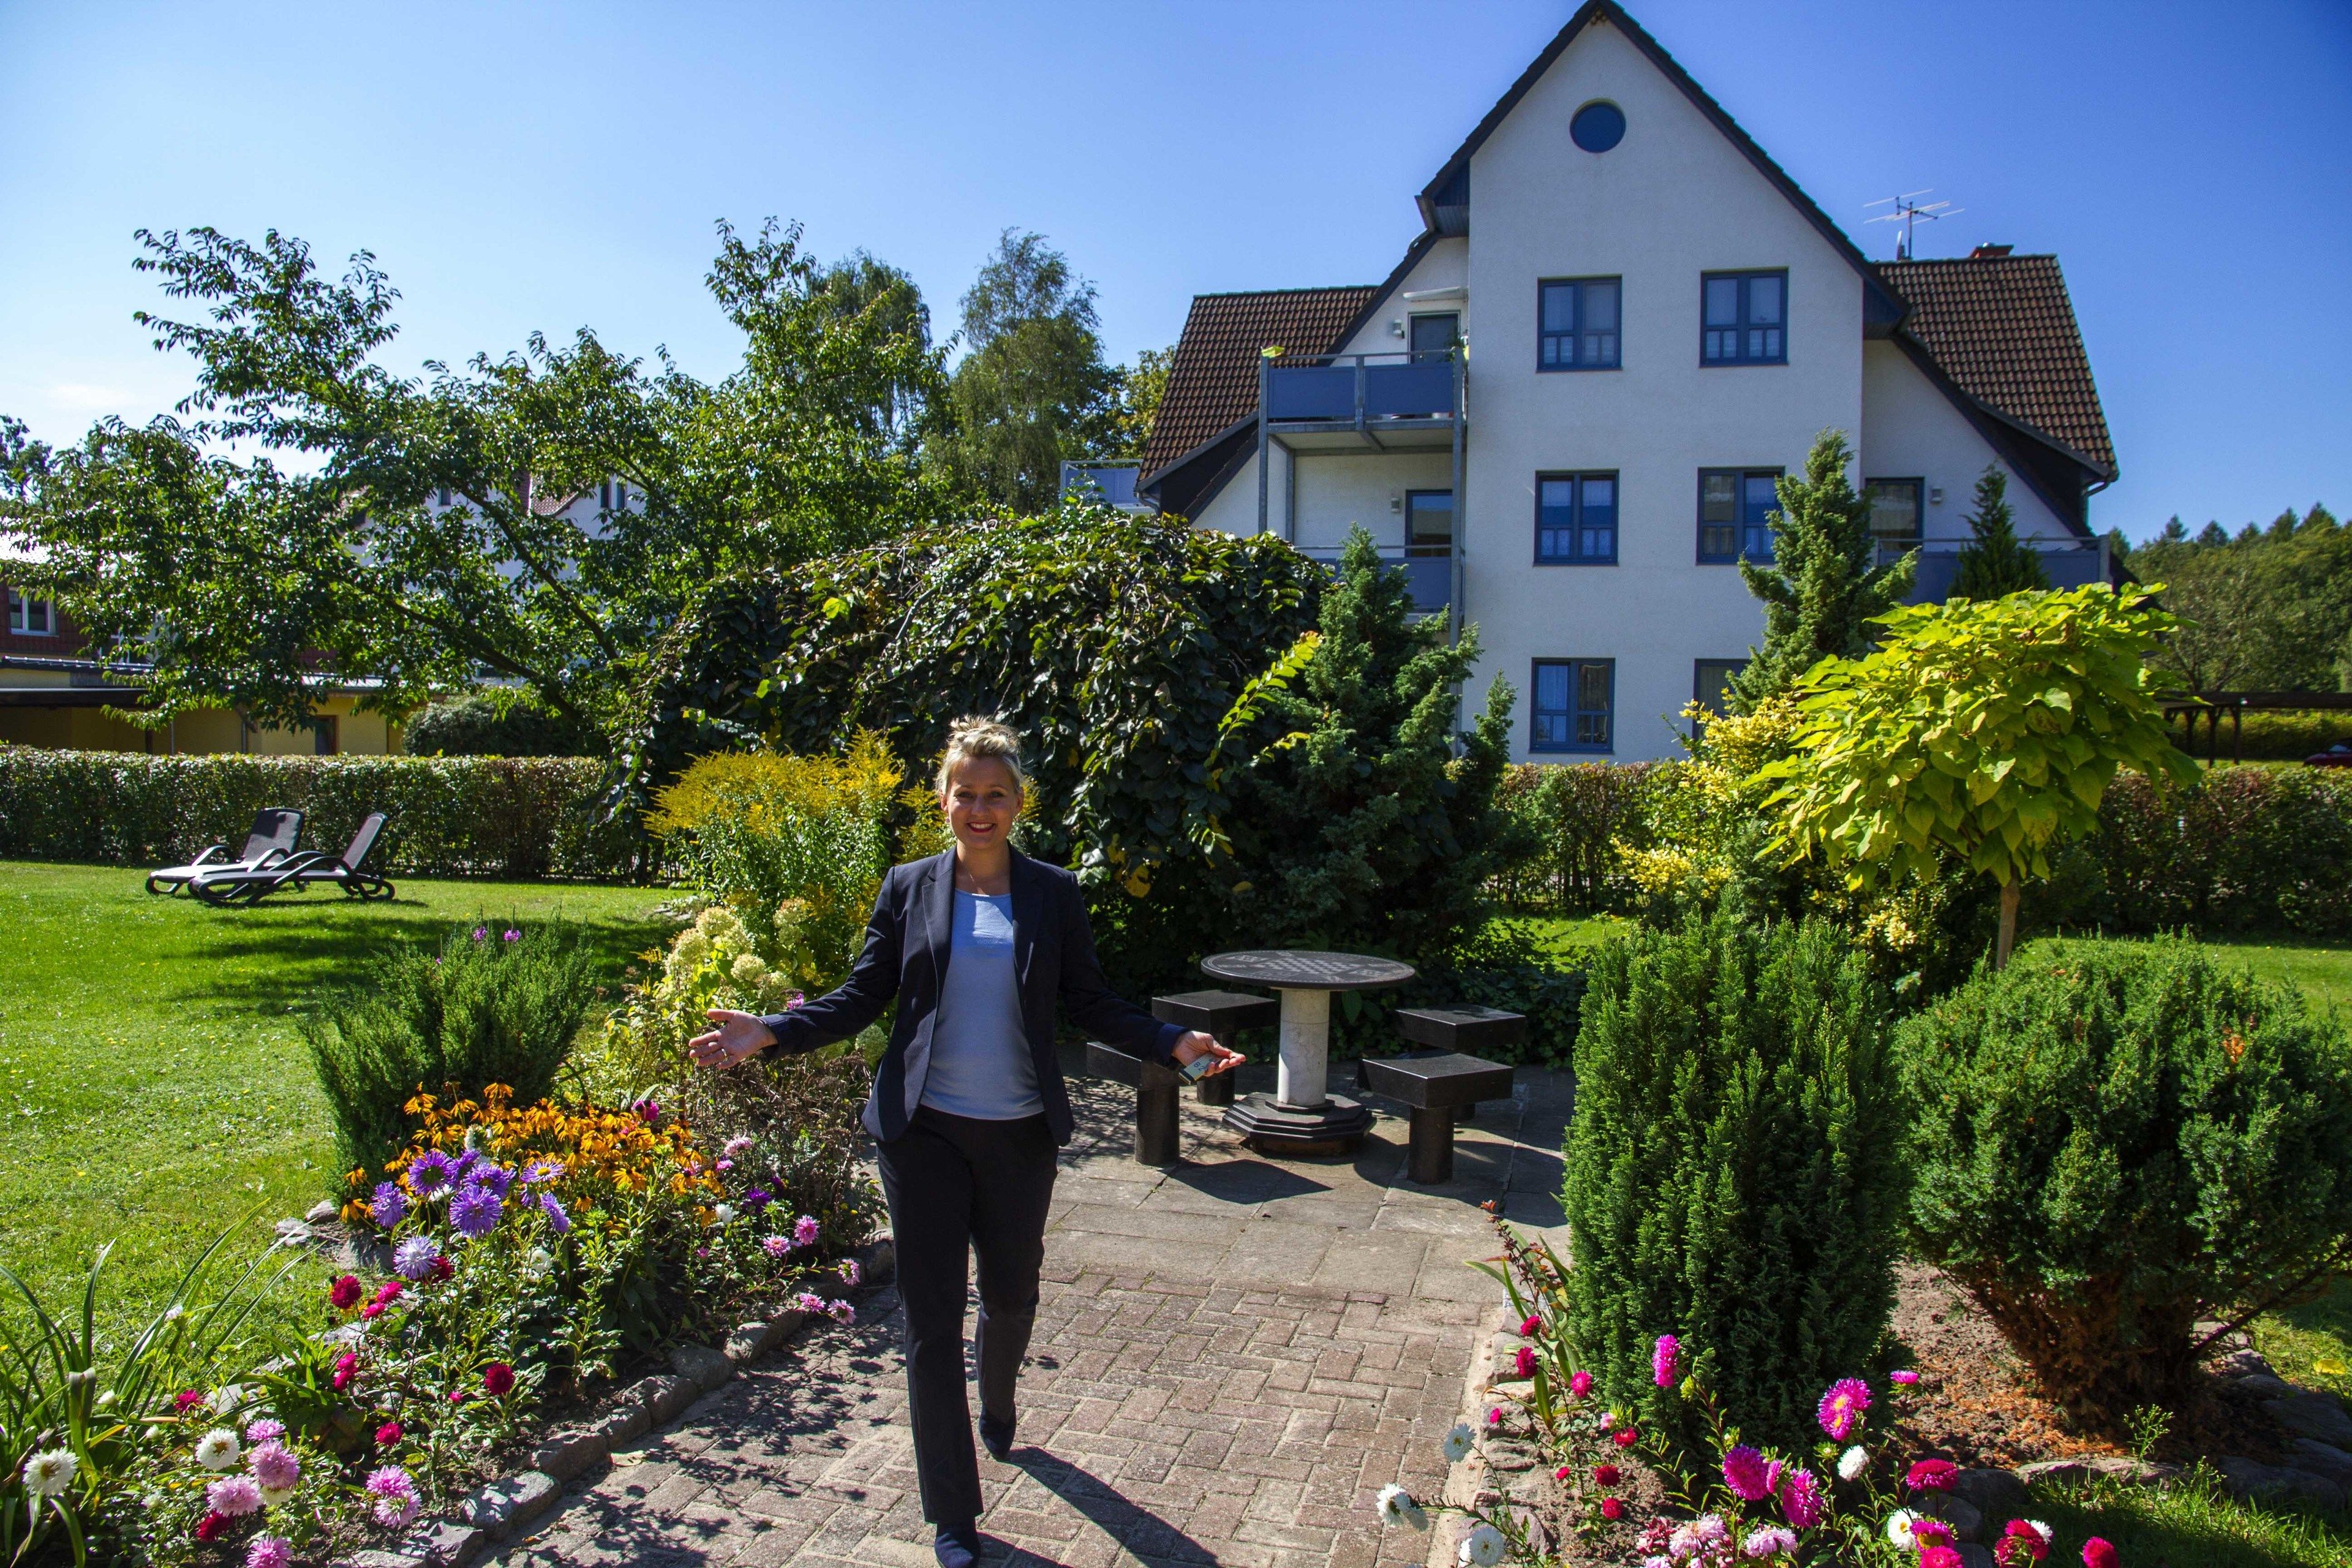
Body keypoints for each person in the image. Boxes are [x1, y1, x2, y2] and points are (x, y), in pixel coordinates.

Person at [689, 715, 1242, 1568]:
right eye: (965, 795)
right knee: (930, 1321)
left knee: (1011, 1298)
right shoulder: (909, 887)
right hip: (923, 1135)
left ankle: (1001, 1395)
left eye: (995, 795)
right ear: (942, 801)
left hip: (1019, 1135)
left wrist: (1171, 1042)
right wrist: (773, 1029)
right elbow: (862, 995)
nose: (979, 810)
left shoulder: (1052, 892)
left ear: (1018, 803)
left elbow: (1089, 1001)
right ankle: (952, 1512)